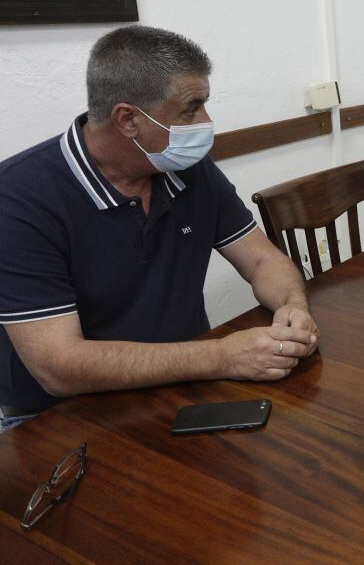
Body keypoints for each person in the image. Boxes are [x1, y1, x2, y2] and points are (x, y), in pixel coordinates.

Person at [0, 26, 319, 432]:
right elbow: (58, 367)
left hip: (183, 386)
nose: (206, 122)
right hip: (61, 419)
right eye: (191, 108)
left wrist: (293, 306)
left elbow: (260, 258)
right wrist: (221, 357)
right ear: (128, 119)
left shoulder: (186, 168)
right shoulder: (18, 199)